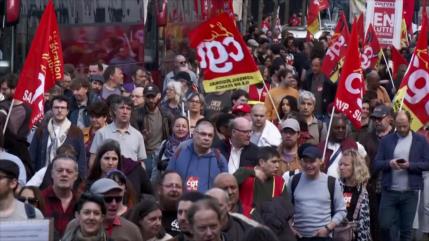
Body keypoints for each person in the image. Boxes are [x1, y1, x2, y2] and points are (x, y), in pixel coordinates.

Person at [374, 110, 429, 241]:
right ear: (394, 124)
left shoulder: (420, 140)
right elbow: (376, 163)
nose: (402, 129)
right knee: (385, 224)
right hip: (389, 191)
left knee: (406, 229)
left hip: (410, 192)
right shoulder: (386, 140)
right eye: (399, 126)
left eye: (405, 126)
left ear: (410, 122)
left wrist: (410, 165)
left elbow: (427, 164)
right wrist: (389, 163)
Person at [288, 145, 347, 241]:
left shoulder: (331, 182)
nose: (308, 165)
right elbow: (287, 209)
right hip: (299, 237)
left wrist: (328, 228)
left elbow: (341, 211)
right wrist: (291, 228)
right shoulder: (294, 180)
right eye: (305, 161)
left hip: (323, 237)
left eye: (312, 161)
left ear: (320, 161)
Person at [65, 178, 144, 241]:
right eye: (108, 199)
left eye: (118, 199)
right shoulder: (75, 224)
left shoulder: (131, 230)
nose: (114, 203)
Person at [30, 95, 87, 178]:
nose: (59, 110)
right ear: (52, 110)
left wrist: (80, 181)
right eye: (56, 107)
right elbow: (32, 157)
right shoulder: (41, 130)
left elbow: (81, 159)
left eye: (63, 108)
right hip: (43, 177)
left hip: (67, 177)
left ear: (67, 111)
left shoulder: (76, 132)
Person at [167, 120, 228, 192]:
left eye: (210, 135)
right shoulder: (180, 152)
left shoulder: (219, 159)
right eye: (203, 134)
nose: (207, 138)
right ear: (194, 134)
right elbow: (168, 179)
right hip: (182, 201)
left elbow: (225, 186)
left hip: (208, 202)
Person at [90, 96, 147, 168]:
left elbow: (141, 162)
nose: (125, 112)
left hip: (131, 177)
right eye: (122, 108)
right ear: (114, 111)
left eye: (128, 109)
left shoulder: (138, 135)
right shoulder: (102, 133)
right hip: (108, 176)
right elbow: (93, 159)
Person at [86, 139, 153, 199]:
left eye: (114, 159)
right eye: (107, 158)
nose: (110, 162)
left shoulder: (126, 184)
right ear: (99, 160)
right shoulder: (89, 183)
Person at [234, 146, 289, 217]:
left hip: (269, 225)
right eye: (274, 162)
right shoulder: (245, 173)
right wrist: (252, 172)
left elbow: (286, 207)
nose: (277, 166)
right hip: (246, 222)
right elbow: (228, 182)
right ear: (262, 162)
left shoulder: (279, 182)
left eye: (278, 162)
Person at [132, 84, 172, 180]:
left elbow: (170, 134)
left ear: (158, 96)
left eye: (153, 97)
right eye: (148, 97)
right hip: (145, 153)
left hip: (161, 152)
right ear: (144, 97)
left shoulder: (166, 114)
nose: (150, 100)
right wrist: (142, 137)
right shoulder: (136, 114)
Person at [40, 155, 79, 238]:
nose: (64, 174)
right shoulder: (39, 199)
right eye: (60, 170)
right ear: (52, 174)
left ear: (75, 176)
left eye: (69, 171)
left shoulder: (81, 202)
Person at [338, 149, 371, 241]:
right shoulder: (335, 186)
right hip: (338, 234)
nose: (341, 167)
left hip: (358, 236)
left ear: (356, 167)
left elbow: (372, 220)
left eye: (346, 165)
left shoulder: (365, 190)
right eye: (340, 164)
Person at [157, 171, 184, 237]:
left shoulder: (187, 215)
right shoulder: (150, 213)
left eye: (178, 186)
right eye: (169, 186)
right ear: (159, 189)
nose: (174, 189)